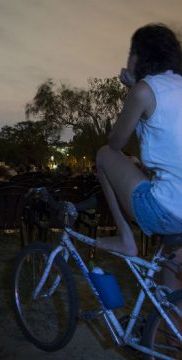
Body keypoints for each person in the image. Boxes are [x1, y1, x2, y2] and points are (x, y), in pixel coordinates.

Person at [95, 24, 182, 290]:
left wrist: (132, 88)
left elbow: (116, 142)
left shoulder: (143, 90)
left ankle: (126, 239)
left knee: (103, 154)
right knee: (170, 268)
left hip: (169, 209)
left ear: (139, 55)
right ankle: (170, 329)